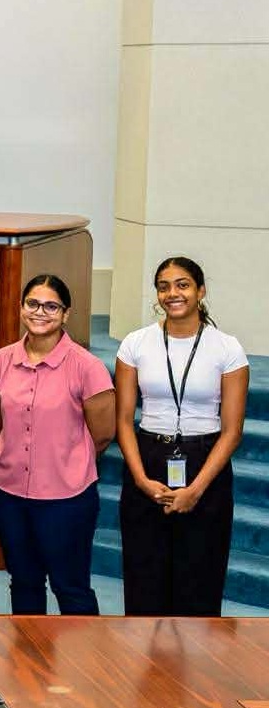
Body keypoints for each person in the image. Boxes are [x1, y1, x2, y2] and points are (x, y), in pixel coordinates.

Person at [115, 257, 248, 617]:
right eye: (164, 286)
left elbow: (232, 431)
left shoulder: (227, 348)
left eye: (183, 284)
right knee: (144, 579)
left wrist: (196, 490)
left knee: (199, 580)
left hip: (205, 463)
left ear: (201, 291)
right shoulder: (136, 343)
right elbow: (124, 421)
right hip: (148, 458)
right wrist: (141, 479)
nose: (172, 293)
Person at [0, 274, 114, 615]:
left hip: (66, 497)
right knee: (23, 581)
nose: (40, 312)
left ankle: (84, 653)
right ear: (21, 307)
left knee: (70, 587)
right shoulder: (1, 360)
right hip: (9, 492)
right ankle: (29, 651)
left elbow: (102, 434)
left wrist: (64, 459)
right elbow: (3, 414)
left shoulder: (87, 366)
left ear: (66, 314)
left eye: (51, 306)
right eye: (33, 304)